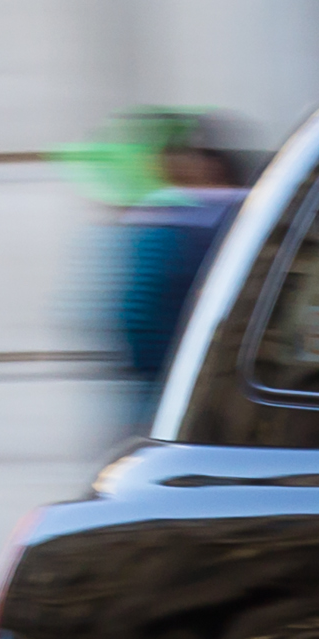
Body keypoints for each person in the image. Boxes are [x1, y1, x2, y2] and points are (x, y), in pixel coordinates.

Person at [106, 111, 249, 420]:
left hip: (176, 384)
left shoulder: (166, 219)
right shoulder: (172, 217)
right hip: (192, 382)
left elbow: (138, 317)